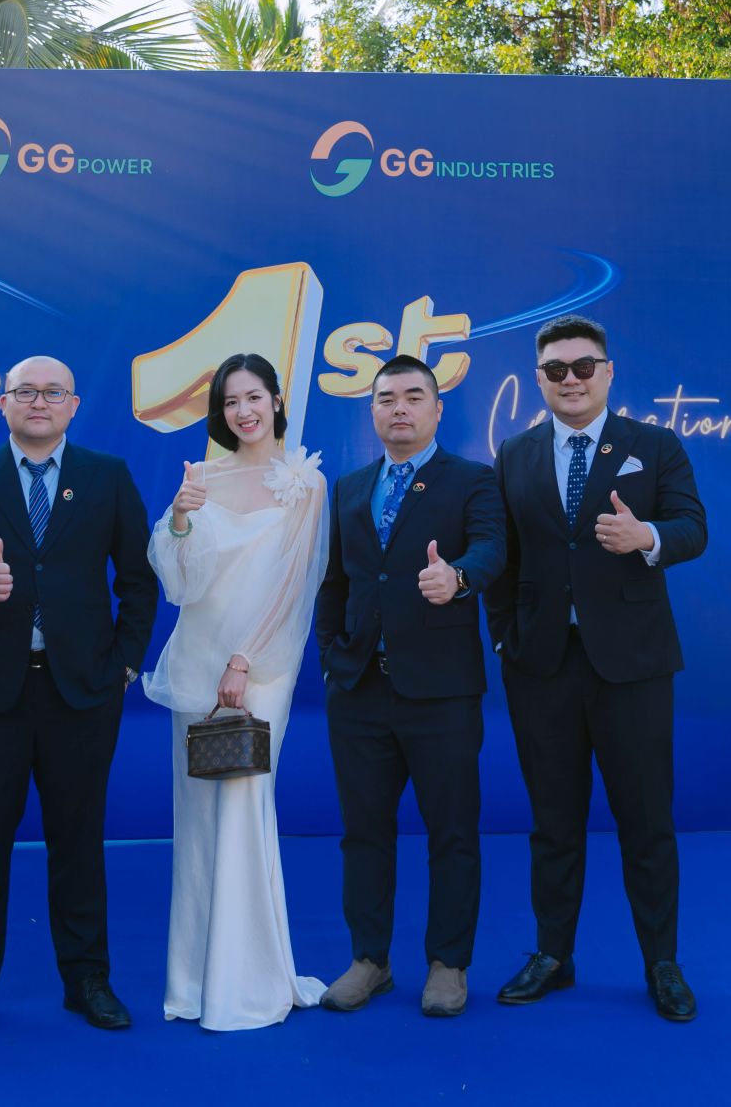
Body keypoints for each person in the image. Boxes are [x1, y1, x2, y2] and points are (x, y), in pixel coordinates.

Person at [0, 355, 160, 1039]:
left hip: (81, 691)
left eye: (54, 392)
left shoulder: (107, 476)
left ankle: (88, 981)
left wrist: (125, 663)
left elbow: (139, 578)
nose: (39, 402)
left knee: (78, 842)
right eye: (25, 391)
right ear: (3, 401)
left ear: (74, 405)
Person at [486, 315, 707, 1022]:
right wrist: (506, 640)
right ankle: (553, 954)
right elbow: (501, 557)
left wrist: (647, 536)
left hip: (633, 667)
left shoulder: (654, 445)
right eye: (556, 370)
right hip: (542, 667)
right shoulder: (514, 455)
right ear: (539, 379)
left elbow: (693, 527)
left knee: (646, 821)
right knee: (553, 822)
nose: (571, 379)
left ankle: (662, 963)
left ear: (608, 372)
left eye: (584, 366)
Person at [312, 354, 506, 1020]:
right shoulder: (349, 487)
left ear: (437, 409)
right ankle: (370, 959)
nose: (399, 407)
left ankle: (448, 963)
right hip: (359, 690)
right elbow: (335, 582)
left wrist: (458, 577)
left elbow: (492, 548)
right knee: (364, 833)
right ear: (372, 410)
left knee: (452, 832)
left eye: (414, 396)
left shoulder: (473, 480)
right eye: (386, 397)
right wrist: (331, 657)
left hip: (441, 692)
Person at [142, 354, 329, 1030]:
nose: (243, 411)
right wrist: (180, 519)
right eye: (229, 401)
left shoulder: (305, 481)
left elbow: (294, 586)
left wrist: (245, 660)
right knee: (197, 818)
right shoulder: (203, 476)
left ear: (276, 400)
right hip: (200, 661)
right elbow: (181, 584)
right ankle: (194, 984)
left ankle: (246, 985)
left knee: (245, 806)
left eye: (253, 397)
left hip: (261, 666)